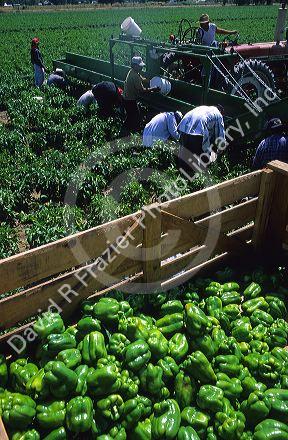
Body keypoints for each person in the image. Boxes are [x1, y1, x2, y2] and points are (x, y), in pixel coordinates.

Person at [177, 105, 225, 173]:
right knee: (201, 156)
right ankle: (198, 174)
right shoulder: (218, 114)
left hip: (184, 126)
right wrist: (220, 149)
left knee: (184, 154)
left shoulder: (204, 108)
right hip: (197, 131)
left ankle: (180, 173)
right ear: (221, 112)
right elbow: (220, 134)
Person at [122, 56, 159, 132]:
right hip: (130, 100)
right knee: (135, 116)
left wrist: (151, 81)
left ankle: (126, 129)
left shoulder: (133, 71)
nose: (141, 67)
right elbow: (142, 90)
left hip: (126, 98)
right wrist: (153, 89)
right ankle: (132, 131)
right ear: (135, 65)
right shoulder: (134, 76)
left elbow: (142, 79)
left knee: (130, 115)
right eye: (140, 66)